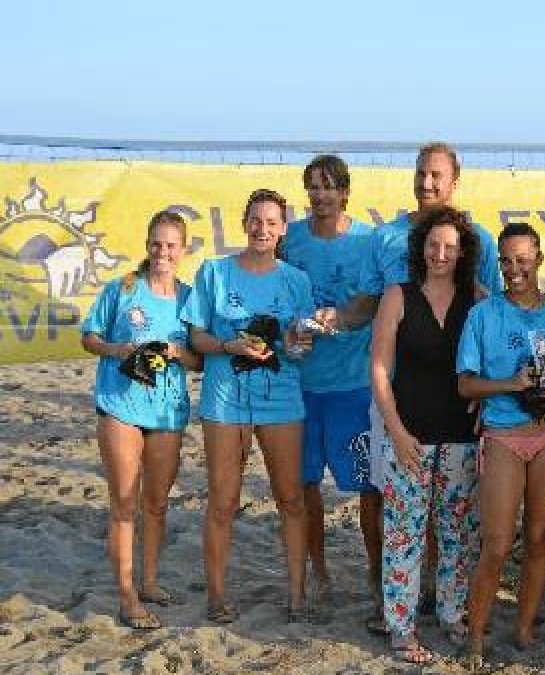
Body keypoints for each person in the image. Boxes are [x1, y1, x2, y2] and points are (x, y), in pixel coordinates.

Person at [181, 189, 316, 623]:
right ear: (244, 223)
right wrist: (227, 344)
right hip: (225, 399)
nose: (263, 229)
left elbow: (300, 346)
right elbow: (195, 338)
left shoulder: (296, 280)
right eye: (256, 220)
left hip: (281, 399)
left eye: (272, 222)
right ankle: (217, 595)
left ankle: (296, 595)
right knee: (222, 501)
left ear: (282, 229)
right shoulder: (215, 273)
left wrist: (297, 342)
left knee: (290, 499)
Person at [368, 205, 484, 663]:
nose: (440, 253)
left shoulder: (477, 298)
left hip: (461, 438)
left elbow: (488, 367)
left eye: (450, 247)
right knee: (403, 535)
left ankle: (453, 616)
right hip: (409, 438)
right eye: (433, 244)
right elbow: (379, 367)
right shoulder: (397, 296)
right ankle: (401, 626)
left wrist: (487, 406)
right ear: (420, 248)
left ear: (462, 252)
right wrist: (395, 430)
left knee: (457, 533)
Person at [457, 222, 545, 666]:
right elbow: (466, 385)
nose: (514, 269)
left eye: (523, 260)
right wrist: (511, 383)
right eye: (506, 260)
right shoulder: (484, 315)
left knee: (541, 537)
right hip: (504, 436)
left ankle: (524, 628)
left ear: (539, 260)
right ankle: (476, 635)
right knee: (498, 542)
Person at [80, 210, 202, 629]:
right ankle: (127, 595)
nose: (162, 252)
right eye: (156, 243)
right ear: (147, 244)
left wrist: (174, 353)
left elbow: (198, 359)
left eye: (171, 245)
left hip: (167, 410)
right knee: (125, 504)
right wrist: (117, 350)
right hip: (121, 404)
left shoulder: (190, 299)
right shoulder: (123, 289)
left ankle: (149, 581)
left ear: (183, 250)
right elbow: (89, 337)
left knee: (157, 503)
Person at [279, 154, 383, 628]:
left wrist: (340, 318)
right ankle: (318, 571)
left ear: (345, 191)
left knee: (370, 488)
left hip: (353, 384)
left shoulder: (367, 241)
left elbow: (371, 299)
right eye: (313, 187)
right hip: (299, 386)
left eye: (329, 187)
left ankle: (379, 573)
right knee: (304, 486)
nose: (320, 195)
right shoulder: (292, 239)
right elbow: (275, 290)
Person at [361, 141, 503, 297]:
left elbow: (494, 305)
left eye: (436, 175)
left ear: (454, 184)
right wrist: (337, 317)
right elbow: (367, 304)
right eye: (421, 174)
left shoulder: (480, 239)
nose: (426, 183)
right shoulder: (382, 236)